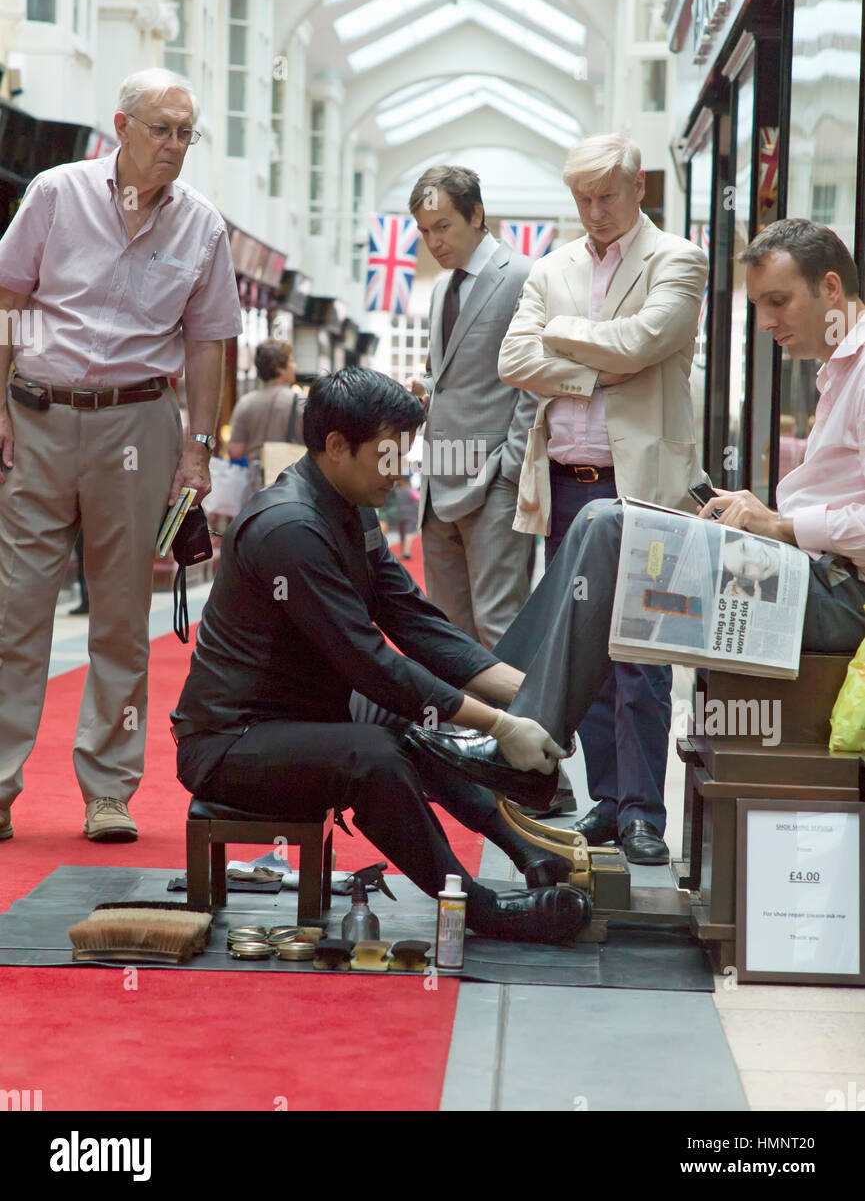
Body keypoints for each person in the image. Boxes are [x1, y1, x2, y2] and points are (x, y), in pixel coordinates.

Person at [171, 367, 590, 945]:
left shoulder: (351, 506)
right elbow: (370, 663)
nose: (400, 471)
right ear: (337, 447)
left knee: (400, 721)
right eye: (389, 456)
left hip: (300, 719)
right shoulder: (288, 529)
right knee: (374, 753)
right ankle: (477, 907)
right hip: (229, 743)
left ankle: (527, 851)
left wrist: (529, 695)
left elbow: (412, 619)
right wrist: (498, 723)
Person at [494, 217, 865, 788]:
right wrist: (759, 514)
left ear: (832, 289)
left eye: (778, 301)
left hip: (841, 598)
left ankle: (516, 728)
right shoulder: (837, 371)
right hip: (816, 576)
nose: (766, 321)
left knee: (614, 530)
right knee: (601, 519)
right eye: (760, 304)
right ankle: (521, 724)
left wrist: (783, 525)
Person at [0, 67, 241, 844]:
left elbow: (209, 345)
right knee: (17, 611)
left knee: (118, 617)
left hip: (139, 427)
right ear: (122, 127)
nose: (174, 147)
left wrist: (198, 452)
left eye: (185, 134)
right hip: (36, 418)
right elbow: (6, 299)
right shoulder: (55, 193)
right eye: (162, 130)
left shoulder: (202, 226)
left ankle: (109, 790)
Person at [498, 134, 708, 863]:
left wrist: (560, 337)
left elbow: (644, 341)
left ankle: (646, 812)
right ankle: (608, 803)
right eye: (581, 198)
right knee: (582, 657)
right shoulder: (551, 266)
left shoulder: (676, 259)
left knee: (642, 658)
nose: (593, 211)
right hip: (564, 488)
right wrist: (591, 372)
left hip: (638, 491)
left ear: (637, 188)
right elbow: (511, 359)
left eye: (606, 196)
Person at [408, 165, 536, 651]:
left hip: (493, 480)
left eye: (443, 227)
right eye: (424, 231)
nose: (433, 242)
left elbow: (534, 382)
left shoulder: (523, 275)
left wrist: (511, 468)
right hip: (440, 476)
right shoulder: (442, 287)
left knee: (500, 626)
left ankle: (518, 730)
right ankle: (462, 729)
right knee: (447, 629)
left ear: (476, 214)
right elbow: (444, 375)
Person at [228, 338, 305, 489]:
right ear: (279, 368)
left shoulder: (245, 403)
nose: (294, 366)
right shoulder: (301, 401)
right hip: (291, 483)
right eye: (291, 361)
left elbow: (235, 451)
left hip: (254, 485)